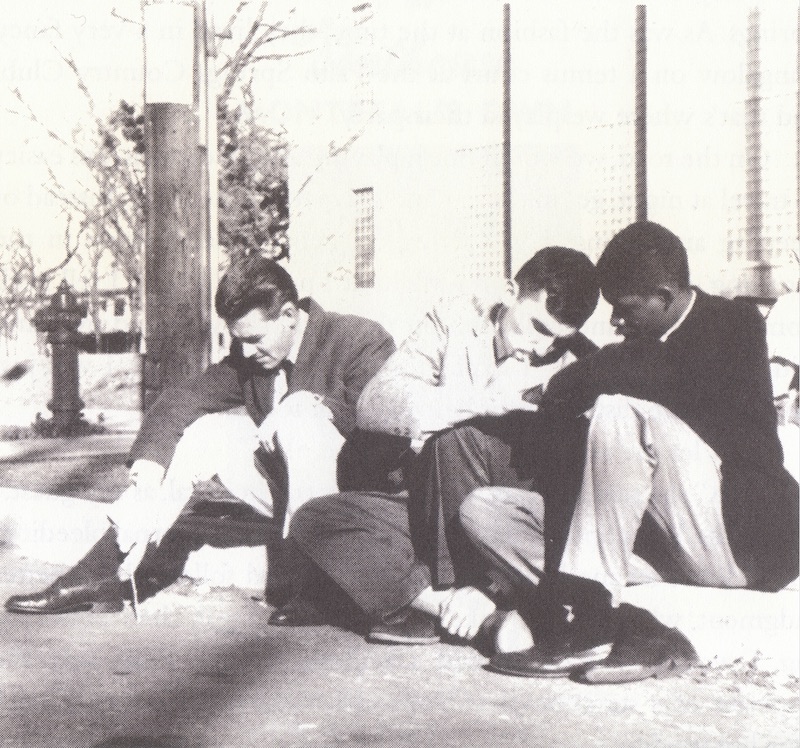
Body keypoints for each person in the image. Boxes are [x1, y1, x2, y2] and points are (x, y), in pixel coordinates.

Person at [462, 221, 799, 683]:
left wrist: (551, 386)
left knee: (621, 412)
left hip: (739, 545)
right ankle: (635, 625)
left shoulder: (732, 323)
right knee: (485, 511)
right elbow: (617, 374)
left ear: (664, 295)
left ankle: (591, 628)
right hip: (664, 549)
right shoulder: (638, 348)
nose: (616, 322)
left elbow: (649, 368)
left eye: (625, 309)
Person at [6, 255, 396, 615]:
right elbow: (180, 401)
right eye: (237, 341)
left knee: (300, 419)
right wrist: (148, 472)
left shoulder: (358, 339)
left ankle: (316, 587)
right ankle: (102, 570)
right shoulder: (252, 358)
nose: (245, 353)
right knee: (205, 430)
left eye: (254, 339)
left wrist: (315, 405)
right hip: (288, 491)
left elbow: (387, 430)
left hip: (356, 500)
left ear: (290, 315)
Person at [285, 247, 600, 646]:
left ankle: (478, 590)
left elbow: (566, 487)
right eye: (537, 326)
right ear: (509, 292)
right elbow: (375, 404)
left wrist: (496, 579)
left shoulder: (578, 362)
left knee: (455, 438)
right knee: (317, 520)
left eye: (556, 339)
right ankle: (452, 607)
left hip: (502, 520)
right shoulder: (453, 318)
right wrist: (483, 400)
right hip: (432, 501)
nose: (540, 348)